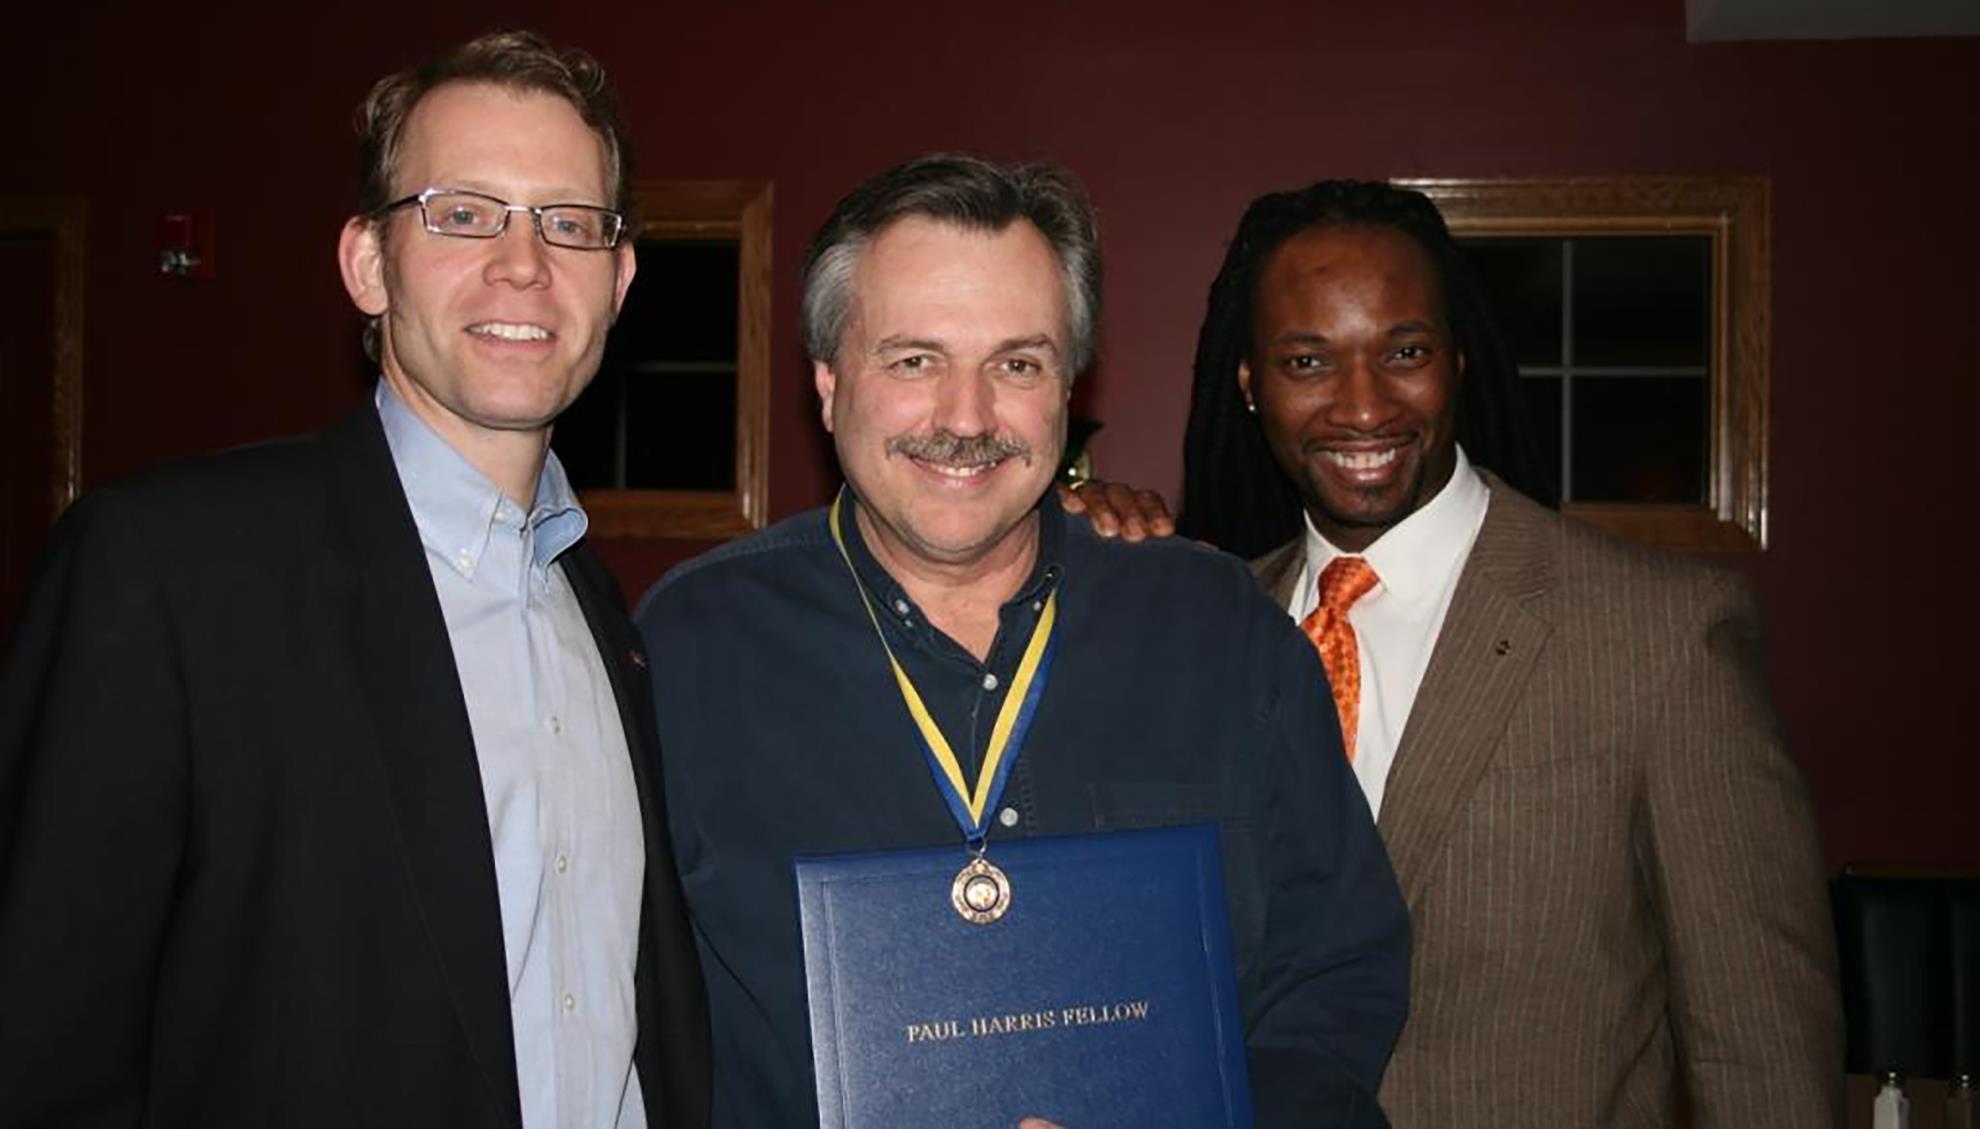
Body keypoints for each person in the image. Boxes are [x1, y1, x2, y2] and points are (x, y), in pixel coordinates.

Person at [0, 32, 708, 1128]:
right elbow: (44, 1047)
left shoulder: (604, 617)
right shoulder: (166, 572)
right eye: (463, 213)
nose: (524, 263)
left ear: (616, 282)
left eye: (568, 223)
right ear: (368, 265)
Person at [637, 155, 1410, 1128]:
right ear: (830, 383)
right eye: (915, 359)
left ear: (1070, 387)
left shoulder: (1220, 634)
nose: (967, 418)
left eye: (1017, 363)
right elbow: (623, 1010)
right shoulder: (688, 647)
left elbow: (1336, 974)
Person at [1077, 179, 1843, 1125]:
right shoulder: (1209, 627)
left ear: (1459, 361)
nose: (1362, 406)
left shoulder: (1660, 636)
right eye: (1307, 359)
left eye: (1403, 352)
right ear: (1249, 383)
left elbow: (1762, 1047)